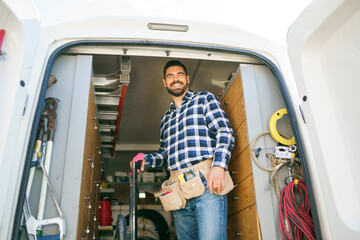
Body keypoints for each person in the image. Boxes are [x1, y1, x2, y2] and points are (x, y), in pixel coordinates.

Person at [130, 60, 235, 240]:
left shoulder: (204, 99)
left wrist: (218, 166)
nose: (175, 79)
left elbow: (224, 131)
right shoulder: (165, 119)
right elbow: (164, 154)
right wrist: (145, 159)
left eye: (179, 74)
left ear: (187, 78)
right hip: (177, 192)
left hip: (206, 184)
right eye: (170, 76)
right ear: (165, 82)